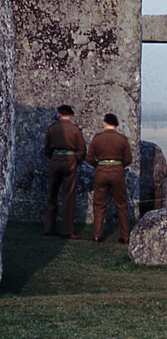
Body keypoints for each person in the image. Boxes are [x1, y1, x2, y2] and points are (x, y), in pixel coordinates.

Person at [87, 113, 133, 244]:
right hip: (117, 172)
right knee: (122, 204)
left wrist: (99, 166)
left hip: (101, 172)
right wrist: (118, 166)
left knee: (99, 205)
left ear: (105, 122)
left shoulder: (97, 138)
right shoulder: (122, 139)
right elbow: (128, 159)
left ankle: (97, 235)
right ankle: (125, 236)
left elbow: (89, 158)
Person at [42, 104, 87, 239]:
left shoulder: (52, 129)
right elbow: (82, 150)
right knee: (68, 196)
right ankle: (67, 230)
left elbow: (46, 149)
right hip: (70, 161)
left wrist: (55, 157)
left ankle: (49, 228)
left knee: (52, 194)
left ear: (59, 114)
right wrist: (75, 159)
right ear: (71, 115)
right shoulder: (75, 130)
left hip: (55, 160)